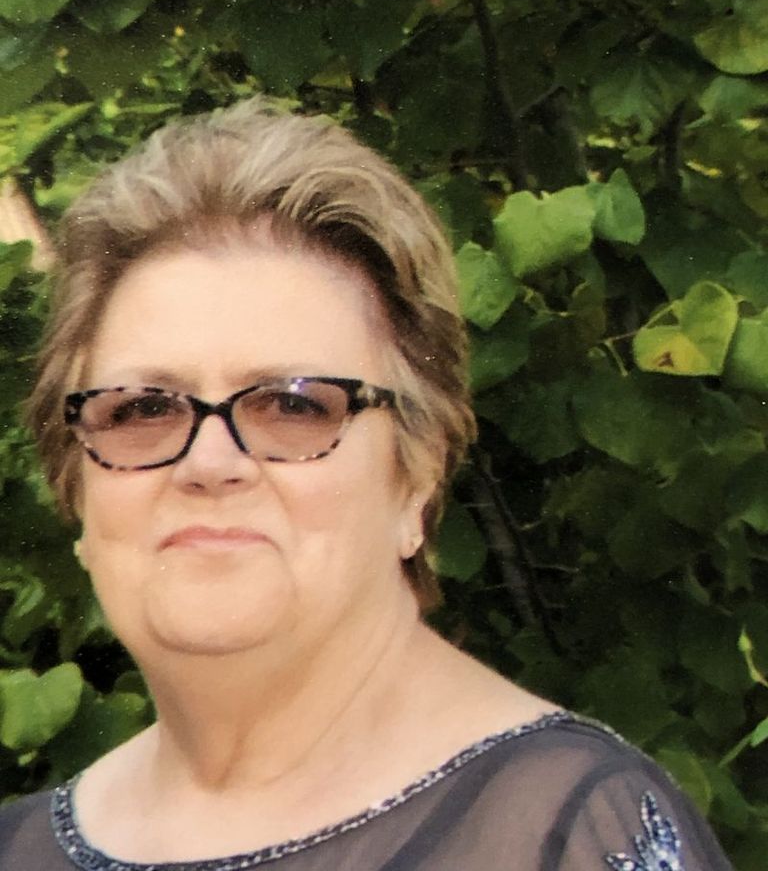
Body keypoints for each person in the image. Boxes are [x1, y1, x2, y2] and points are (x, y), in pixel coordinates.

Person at [0, 98, 732, 870]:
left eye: (293, 406)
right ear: (74, 481)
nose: (208, 463)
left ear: (416, 474)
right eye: (143, 408)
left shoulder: (567, 836)